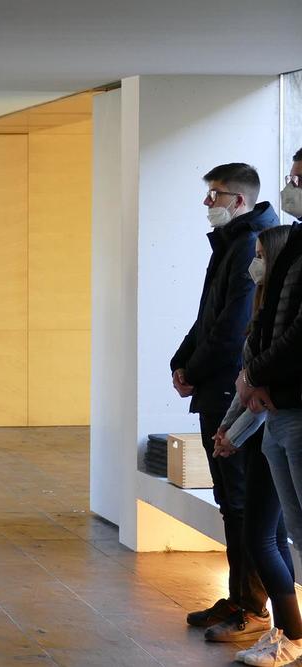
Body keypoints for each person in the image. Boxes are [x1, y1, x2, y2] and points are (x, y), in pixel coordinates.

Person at [170, 163, 279, 640]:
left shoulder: (254, 243)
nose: (207, 202)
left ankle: (253, 609)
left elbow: (235, 328)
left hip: (236, 392)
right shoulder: (232, 243)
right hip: (217, 387)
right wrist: (181, 362)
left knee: (242, 503)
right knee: (230, 503)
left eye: (214, 194)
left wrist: (193, 371)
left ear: (238, 201)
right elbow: (207, 316)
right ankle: (238, 597)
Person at [212, 225, 301, 665]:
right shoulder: (263, 314)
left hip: (286, 422)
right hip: (271, 430)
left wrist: (235, 431)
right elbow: (248, 385)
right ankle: (289, 632)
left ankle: (288, 631)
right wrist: (230, 429)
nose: (256, 263)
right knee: (277, 533)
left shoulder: (279, 318)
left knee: (266, 535)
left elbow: (258, 384)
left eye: (262, 255)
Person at [230, 149, 302, 665]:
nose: (290, 187)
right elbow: (263, 326)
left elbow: (297, 334)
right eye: (292, 177)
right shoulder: (293, 243)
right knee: (294, 532)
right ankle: (291, 636)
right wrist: (254, 376)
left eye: (298, 179)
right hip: (276, 409)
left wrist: (255, 375)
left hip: (290, 405)